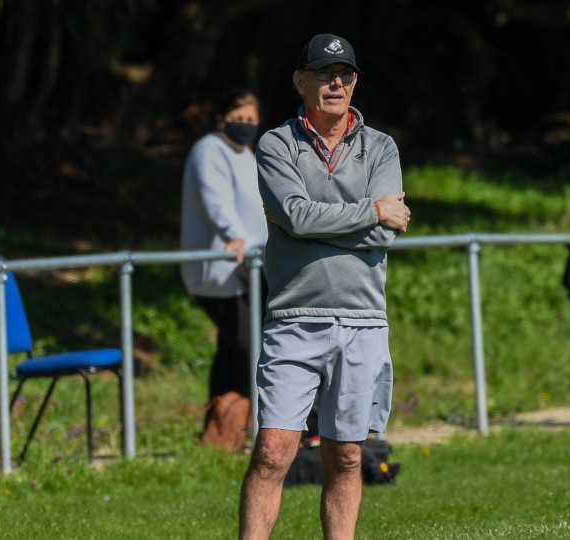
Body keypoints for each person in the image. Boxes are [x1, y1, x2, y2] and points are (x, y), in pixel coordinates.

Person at [238, 33, 410, 539]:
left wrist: (327, 222)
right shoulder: (276, 143)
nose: (335, 83)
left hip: (363, 322)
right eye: (323, 73)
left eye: (345, 75)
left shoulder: (381, 147)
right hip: (293, 319)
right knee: (272, 451)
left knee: (348, 455)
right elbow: (293, 214)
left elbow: (386, 231)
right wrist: (370, 211)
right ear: (300, 80)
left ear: (355, 83)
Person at [180, 89, 268, 446]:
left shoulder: (246, 156)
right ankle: (253, 430)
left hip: (250, 269)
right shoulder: (208, 151)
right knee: (252, 348)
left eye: (250, 120)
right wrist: (233, 236)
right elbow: (215, 200)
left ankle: (220, 431)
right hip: (218, 273)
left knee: (231, 350)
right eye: (238, 118)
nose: (244, 126)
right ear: (220, 119)